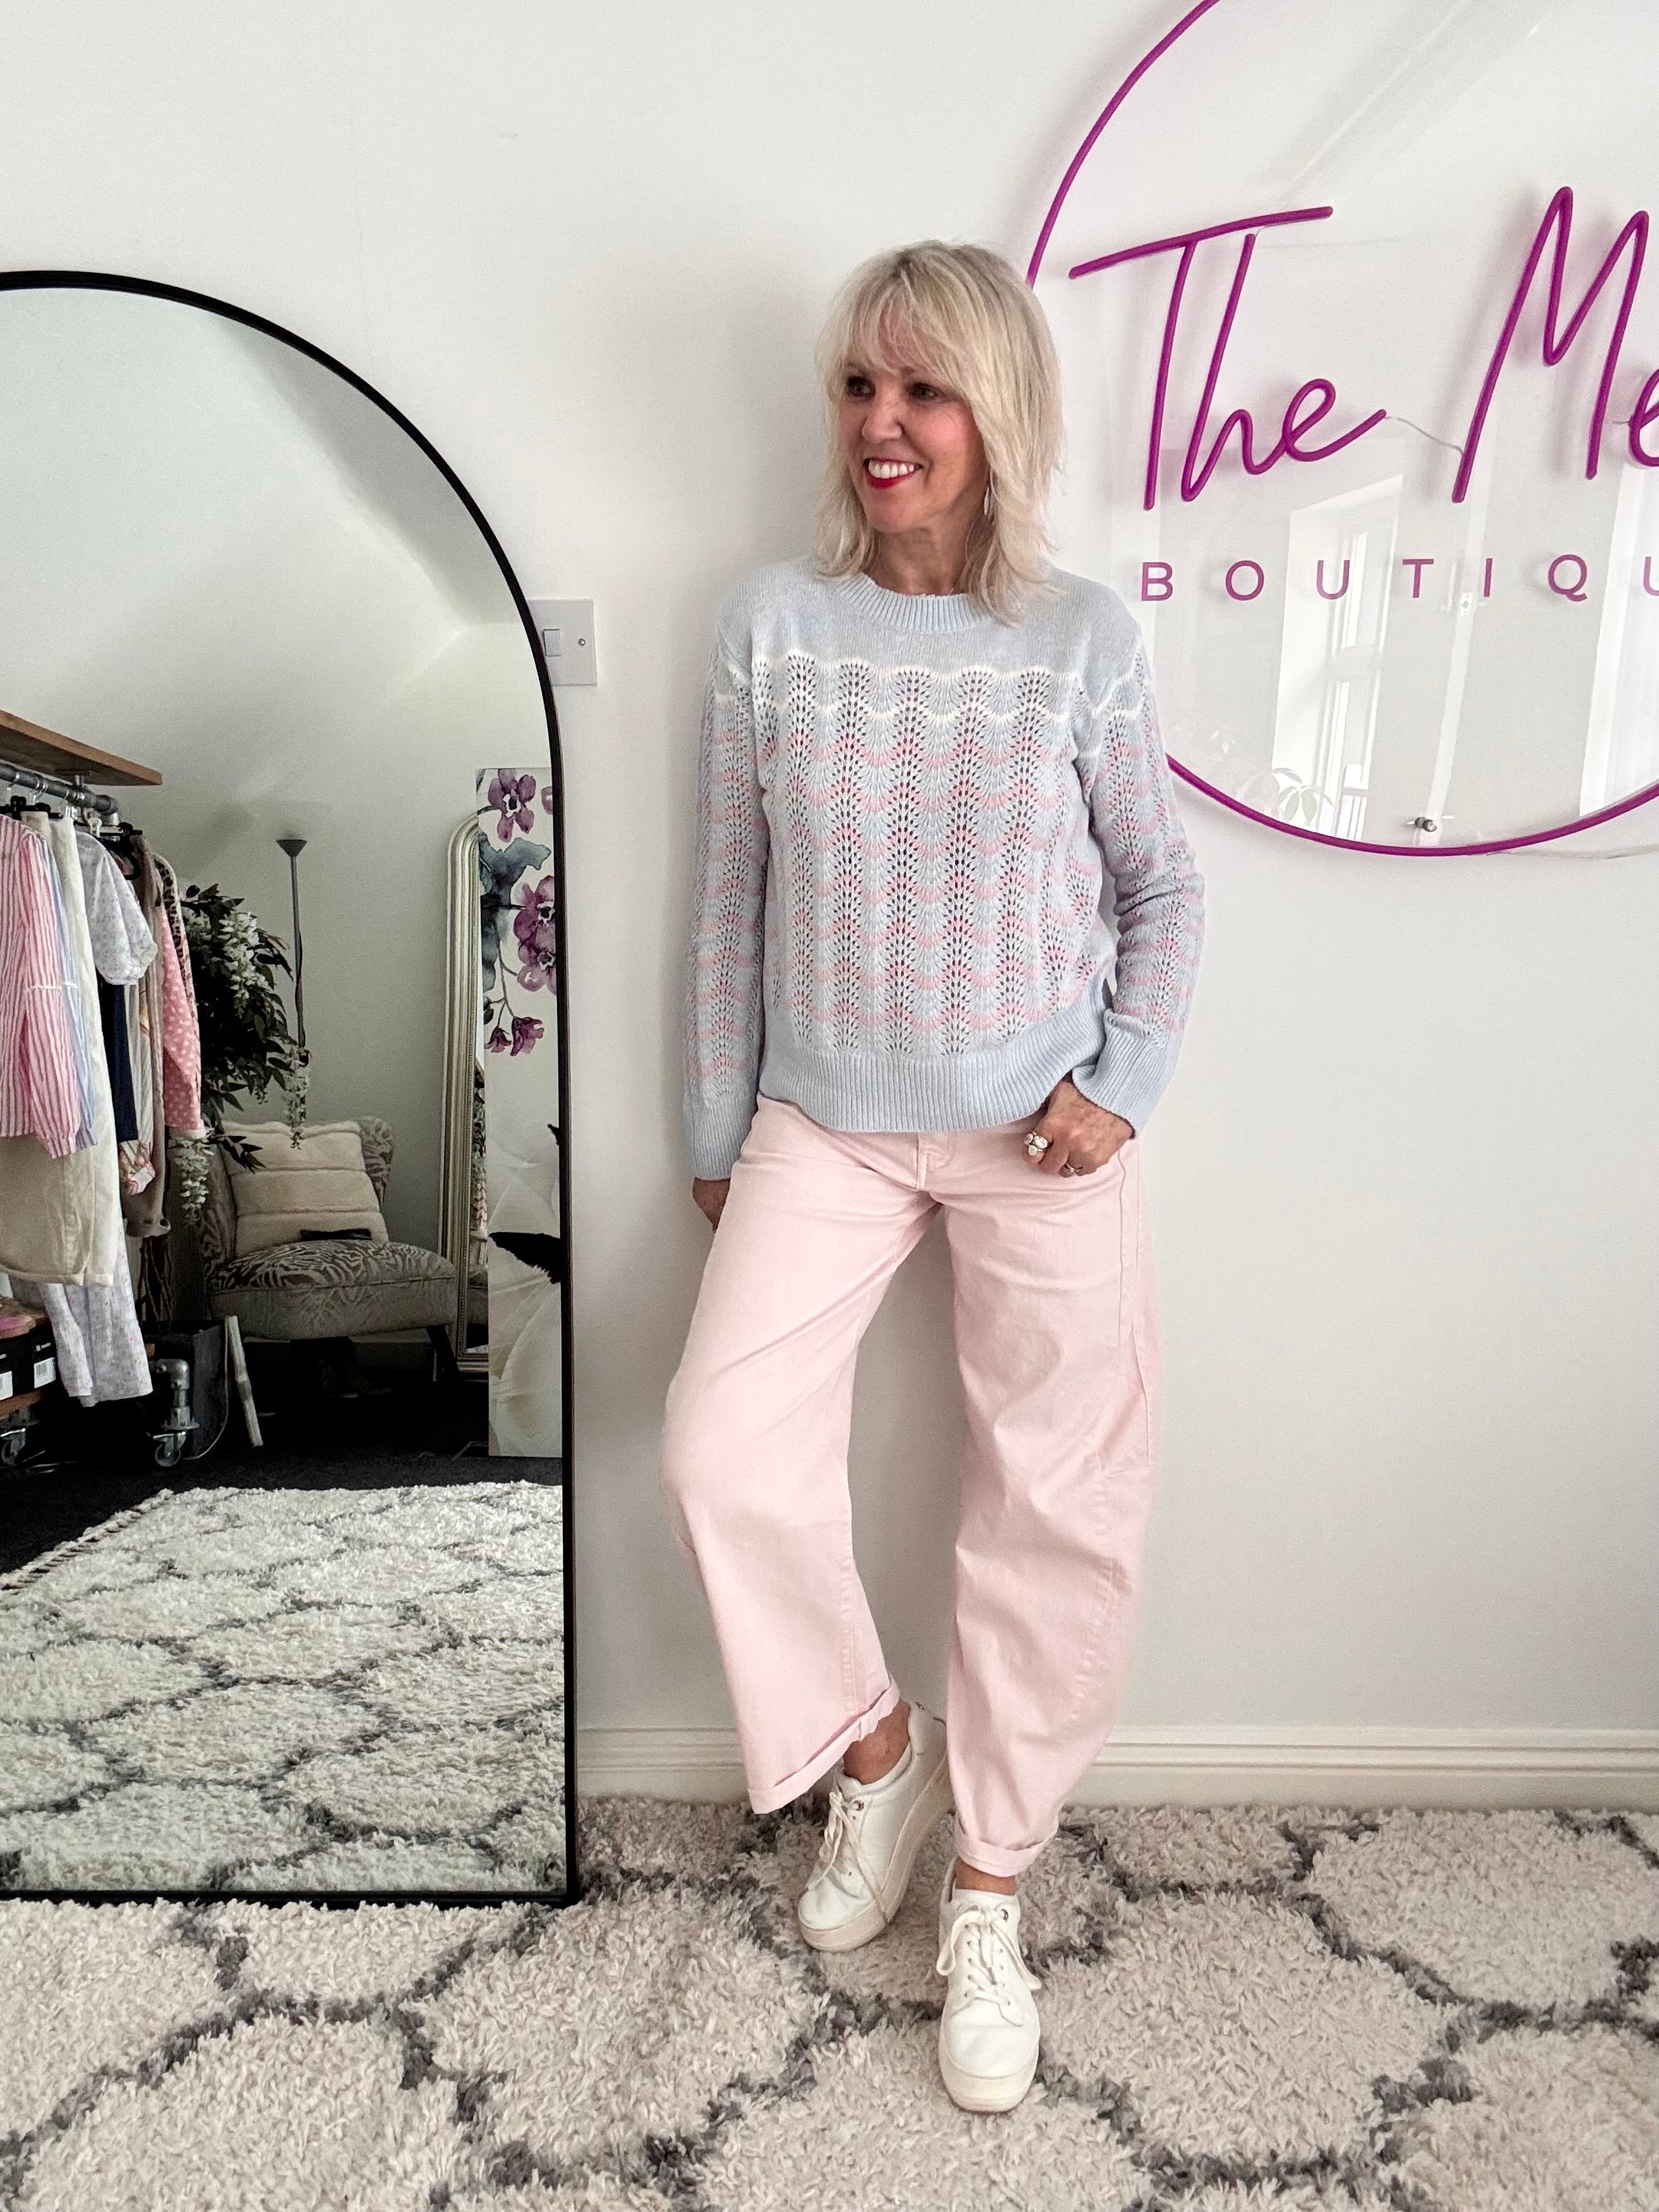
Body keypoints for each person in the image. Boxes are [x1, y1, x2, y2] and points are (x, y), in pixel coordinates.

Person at [660, 240, 1204, 2112]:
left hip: (1038, 1128)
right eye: (858, 386)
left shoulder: (1080, 638)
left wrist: (1123, 1083)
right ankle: (876, 1758)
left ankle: (988, 1891)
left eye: (924, 389)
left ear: (996, 413)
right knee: (718, 1449)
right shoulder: (771, 627)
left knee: (1056, 1499)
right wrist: (715, 1134)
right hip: (823, 1117)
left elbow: (1163, 884)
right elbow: (728, 903)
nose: (882, 424)